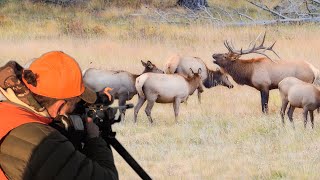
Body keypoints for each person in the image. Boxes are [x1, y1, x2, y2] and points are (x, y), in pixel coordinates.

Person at [0, 51, 118, 180]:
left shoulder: (6, 111)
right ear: (59, 106)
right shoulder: (45, 141)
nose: (73, 111)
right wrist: (94, 139)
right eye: (73, 105)